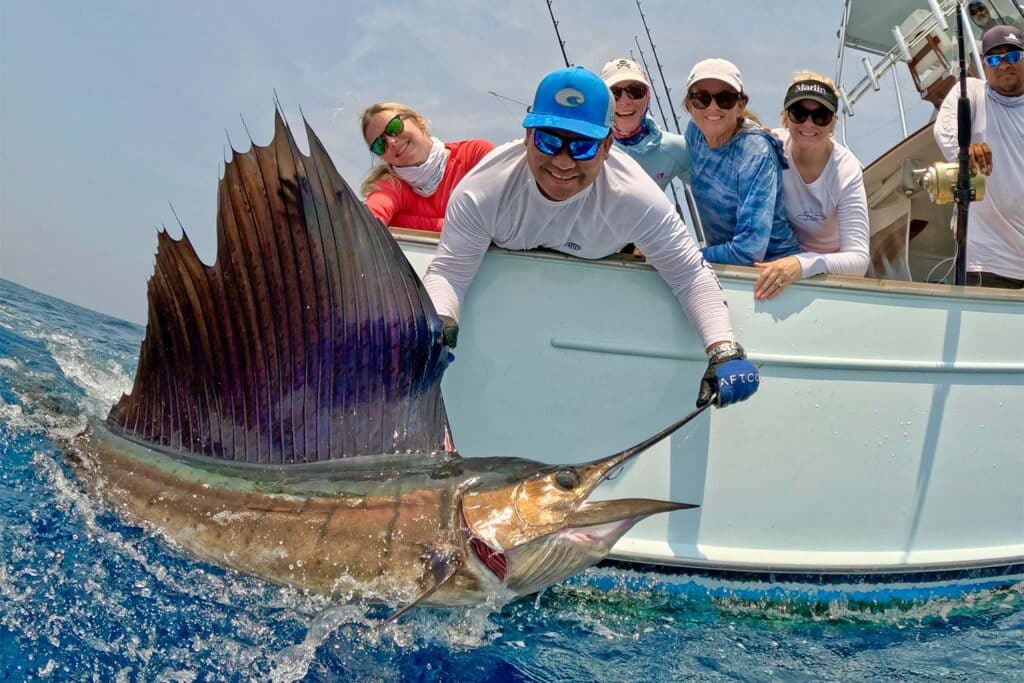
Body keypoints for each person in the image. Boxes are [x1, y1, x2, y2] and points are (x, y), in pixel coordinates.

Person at [422, 67, 759, 408]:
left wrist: (724, 350)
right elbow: (450, 273)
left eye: (582, 146)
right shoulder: (482, 191)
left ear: (608, 146)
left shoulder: (635, 197)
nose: (563, 161)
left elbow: (689, 275)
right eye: (549, 140)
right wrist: (437, 328)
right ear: (526, 135)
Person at [754, 72, 869, 300]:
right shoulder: (769, 146)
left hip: (828, 276)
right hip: (776, 263)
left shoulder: (846, 170)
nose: (808, 123)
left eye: (821, 116)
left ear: (833, 122)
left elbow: (858, 259)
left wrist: (802, 264)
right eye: (799, 113)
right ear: (785, 118)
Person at [682, 58, 802, 267]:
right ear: (689, 105)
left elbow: (749, 250)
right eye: (701, 98)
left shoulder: (756, 152)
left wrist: (679, 256)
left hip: (770, 273)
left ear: (740, 105)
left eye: (724, 99)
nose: (712, 108)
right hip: (724, 269)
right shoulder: (694, 133)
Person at [933, 25, 1024, 289]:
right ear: (984, 66)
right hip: (989, 262)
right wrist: (963, 152)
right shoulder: (971, 91)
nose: (1003, 65)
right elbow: (944, 128)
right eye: (994, 59)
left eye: (1013, 56)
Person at [360, 103, 494, 232]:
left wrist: (398, 222)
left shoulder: (475, 155)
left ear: (418, 121)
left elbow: (492, 223)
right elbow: (365, 225)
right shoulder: (391, 186)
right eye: (380, 144)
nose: (391, 142)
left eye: (394, 128)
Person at [599, 57, 689, 190]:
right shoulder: (586, 147)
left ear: (648, 96)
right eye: (614, 94)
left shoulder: (676, 148)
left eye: (635, 91)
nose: (625, 101)